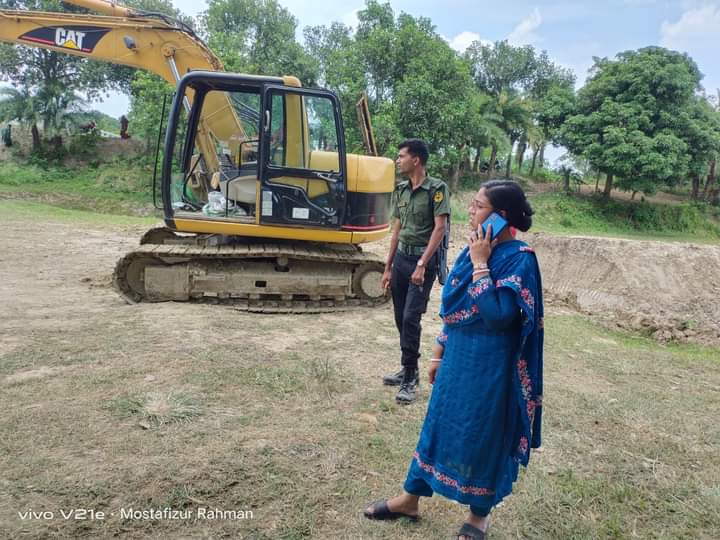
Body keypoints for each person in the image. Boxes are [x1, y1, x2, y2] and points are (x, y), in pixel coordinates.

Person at [365, 179, 544, 540]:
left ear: (500, 216)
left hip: (491, 367)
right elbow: (454, 310)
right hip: (457, 359)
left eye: (478, 206)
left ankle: (479, 517)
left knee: (482, 435)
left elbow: (496, 315)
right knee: (438, 426)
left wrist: (481, 264)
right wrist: (437, 352)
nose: (470, 212)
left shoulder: (519, 259)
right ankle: (409, 499)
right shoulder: (471, 250)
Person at [381, 139, 450, 404]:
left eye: (401, 157)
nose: (398, 161)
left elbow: (439, 228)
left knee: (411, 317)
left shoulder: (437, 189)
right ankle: (407, 368)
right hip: (401, 259)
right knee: (400, 316)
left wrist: (422, 264)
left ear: (416, 160)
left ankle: (411, 378)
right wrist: (387, 267)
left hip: (423, 262)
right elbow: (396, 229)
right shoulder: (401, 190)